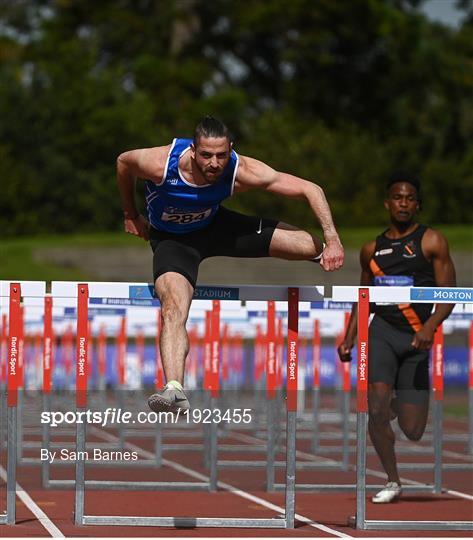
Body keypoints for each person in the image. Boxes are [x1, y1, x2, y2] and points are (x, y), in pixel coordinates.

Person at [117, 115, 344, 413]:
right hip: (174, 241)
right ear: (193, 150)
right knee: (173, 306)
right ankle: (174, 389)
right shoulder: (160, 163)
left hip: (218, 227)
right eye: (206, 155)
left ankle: (321, 254)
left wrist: (333, 240)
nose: (214, 164)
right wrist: (131, 214)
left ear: (231, 149)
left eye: (221, 156)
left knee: (308, 245)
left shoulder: (242, 169)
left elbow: (310, 189)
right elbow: (123, 163)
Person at [338, 171, 456, 503]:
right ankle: (392, 480)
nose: (403, 203)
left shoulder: (432, 241)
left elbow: (450, 294)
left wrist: (430, 327)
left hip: (418, 336)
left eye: (409, 198)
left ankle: (394, 404)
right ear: (387, 203)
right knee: (373, 406)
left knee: (414, 429)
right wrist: (350, 336)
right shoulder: (371, 249)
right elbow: (363, 297)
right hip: (382, 333)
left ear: (417, 205)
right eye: (397, 197)